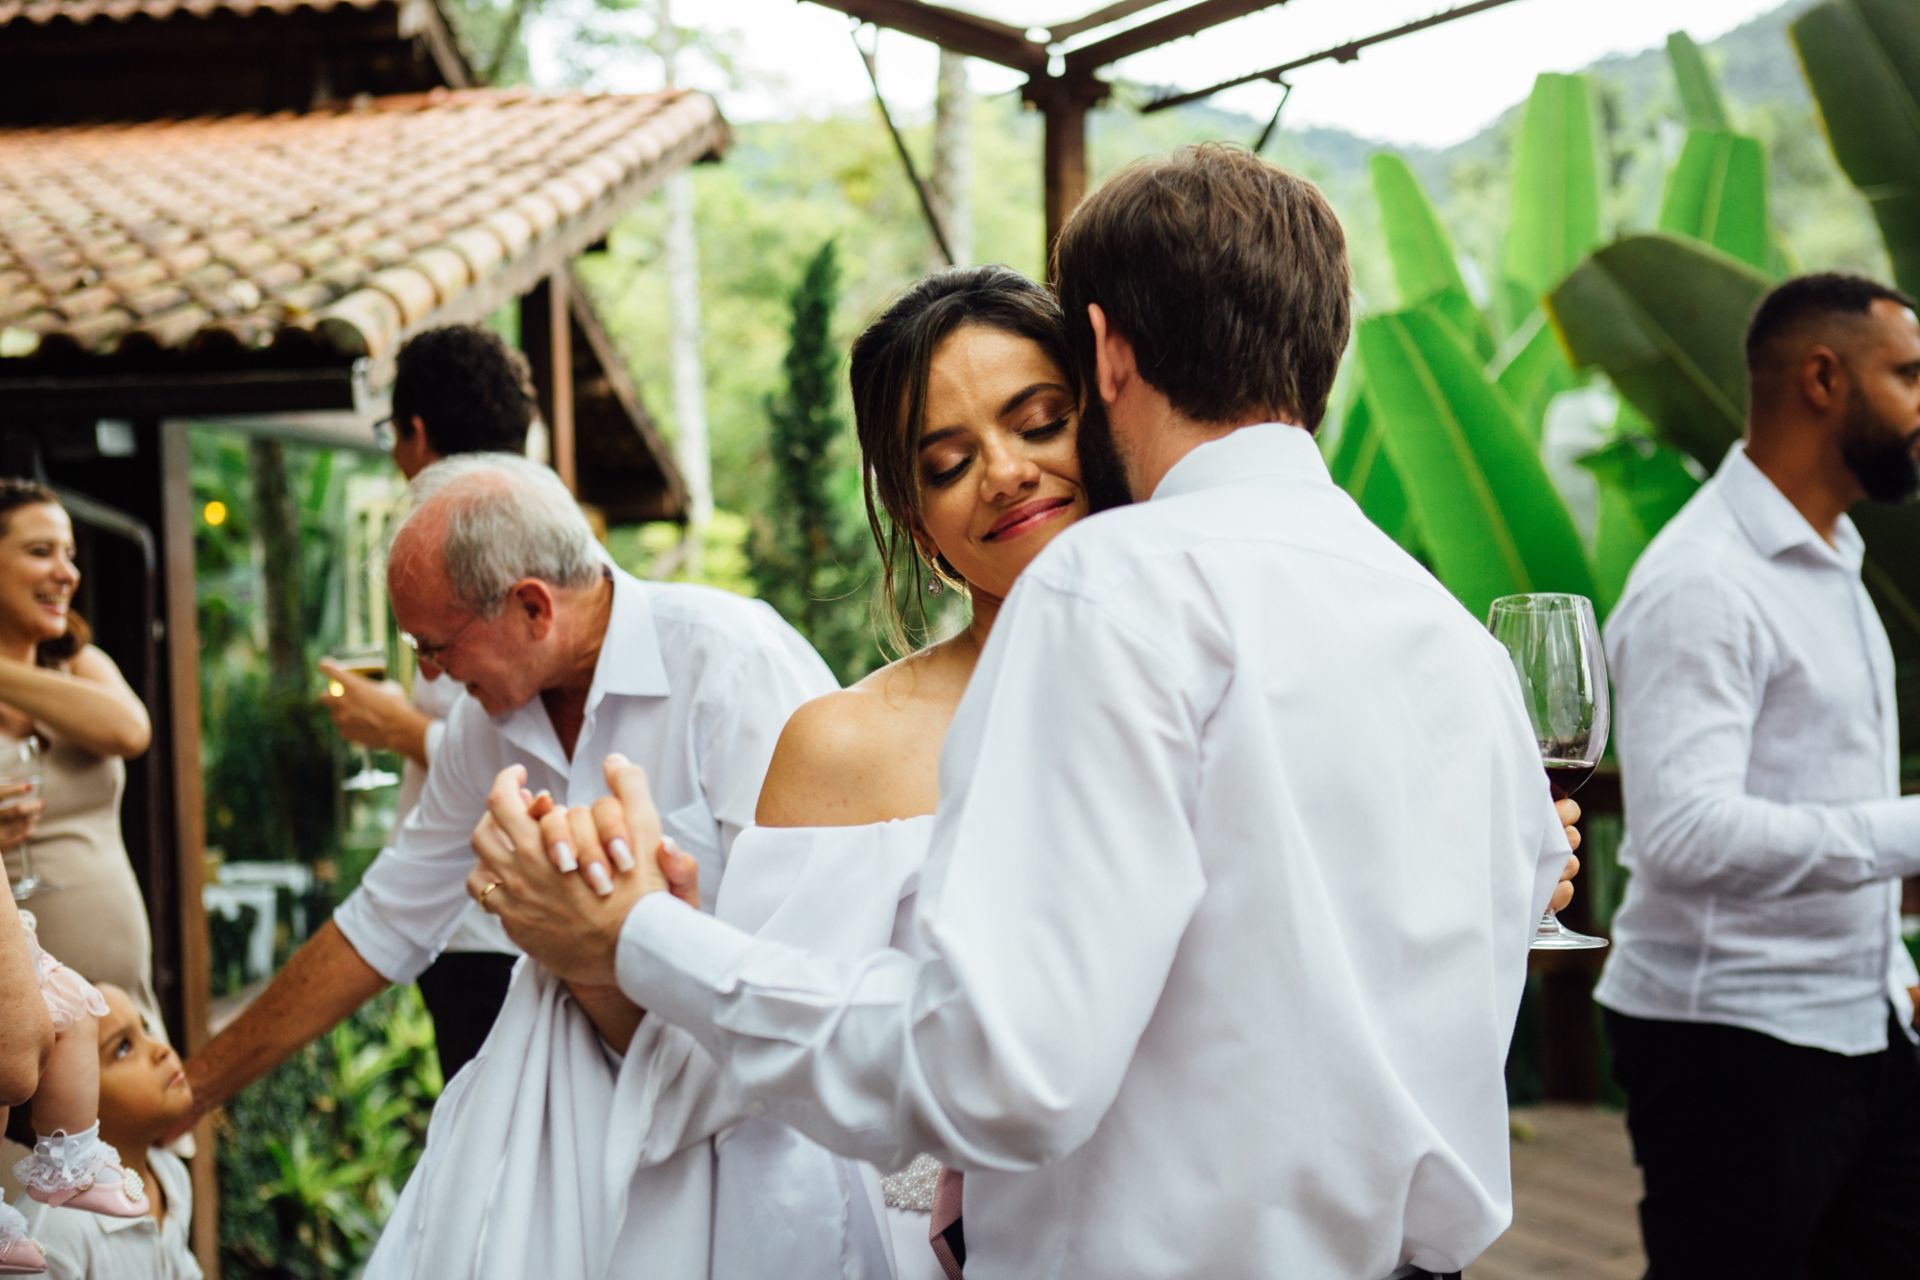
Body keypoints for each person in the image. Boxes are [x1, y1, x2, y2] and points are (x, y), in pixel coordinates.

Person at [474, 145, 1575, 1279]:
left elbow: (1006, 1071)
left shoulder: (1112, 590)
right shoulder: (1456, 637)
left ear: (1103, 357)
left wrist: (647, 936)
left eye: (1038, 417)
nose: (1005, 472)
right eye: (947, 459)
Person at [179, 454, 849, 1271]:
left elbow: (819, 944)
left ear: (533, 606)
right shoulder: (481, 726)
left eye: (435, 645)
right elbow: (387, 920)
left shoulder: (733, 667)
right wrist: (191, 1093)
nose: (426, 675)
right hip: (575, 1169)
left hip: (759, 1152)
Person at [1594, 273, 1920, 1276]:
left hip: (1860, 1022)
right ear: (1824, 378)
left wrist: (1890, 967)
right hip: (1730, 1048)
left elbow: (1814, 783)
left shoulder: (1832, 553)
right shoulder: (1703, 581)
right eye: (1909, 375)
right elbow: (1685, 832)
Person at [318, 324, 537, 1078]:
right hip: (471, 919)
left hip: (486, 924)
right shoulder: (512, 532)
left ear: (415, 431)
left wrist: (397, 728)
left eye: (391, 433)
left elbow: (527, 755)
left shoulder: (490, 546)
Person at [0, 481, 156, 1026]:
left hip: (125, 1003)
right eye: (41, 552)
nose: (67, 573)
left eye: (68, 554)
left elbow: (130, 730)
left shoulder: (81, 664)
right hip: (24, 1017)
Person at [9, 984, 199, 1279]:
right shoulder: (49, 1234)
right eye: (123, 1048)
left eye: (145, 1028)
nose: (161, 1049)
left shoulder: (170, 1176)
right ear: (50, 1112)